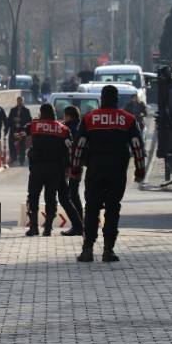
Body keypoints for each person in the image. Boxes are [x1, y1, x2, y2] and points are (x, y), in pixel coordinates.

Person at [72, 85, 145, 262]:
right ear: (117, 98)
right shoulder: (127, 119)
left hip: (95, 169)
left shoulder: (90, 118)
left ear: (102, 98)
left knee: (91, 209)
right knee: (113, 209)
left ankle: (88, 249)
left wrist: (75, 169)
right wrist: (139, 169)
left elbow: (79, 145)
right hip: (117, 170)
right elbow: (137, 144)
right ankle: (108, 250)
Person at [22, 103, 83, 237]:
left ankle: (33, 227)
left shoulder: (34, 125)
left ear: (41, 113)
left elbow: (24, 131)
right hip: (55, 169)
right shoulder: (63, 129)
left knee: (33, 197)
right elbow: (69, 147)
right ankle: (48, 228)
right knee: (51, 198)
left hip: (37, 167)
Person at [63, 105, 84, 229]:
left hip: (70, 164)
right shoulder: (81, 126)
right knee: (74, 193)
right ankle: (80, 223)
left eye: (65, 116)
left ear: (69, 116)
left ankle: (78, 224)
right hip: (79, 163)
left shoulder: (69, 128)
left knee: (72, 195)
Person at [7, 96, 32, 165]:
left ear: (23, 101)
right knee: (11, 144)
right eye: (18, 101)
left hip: (22, 130)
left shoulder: (26, 110)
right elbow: (9, 120)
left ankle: (22, 160)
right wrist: (13, 120)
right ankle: (13, 157)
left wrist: (21, 121)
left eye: (21, 101)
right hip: (14, 129)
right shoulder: (13, 110)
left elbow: (29, 121)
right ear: (17, 101)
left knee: (22, 145)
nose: (19, 102)